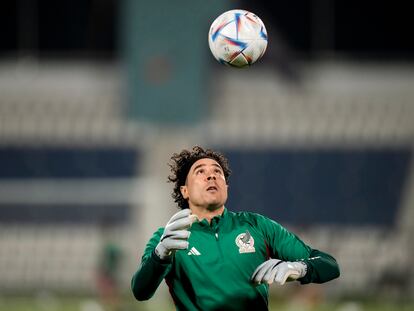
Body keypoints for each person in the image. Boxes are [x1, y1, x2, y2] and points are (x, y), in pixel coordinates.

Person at [131, 146, 340, 311]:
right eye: (200, 172)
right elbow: (140, 291)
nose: (211, 176)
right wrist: (160, 256)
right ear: (185, 190)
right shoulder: (167, 237)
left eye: (217, 172)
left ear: (226, 187)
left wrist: (299, 268)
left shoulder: (256, 225)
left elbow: (329, 265)